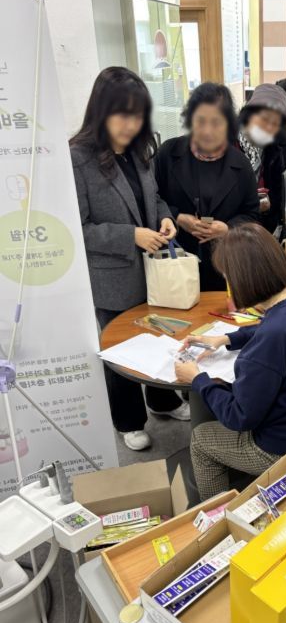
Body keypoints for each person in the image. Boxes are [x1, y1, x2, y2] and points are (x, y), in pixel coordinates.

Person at [174, 223, 286, 500]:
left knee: (201, 441)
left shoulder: (269, 341)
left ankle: (217, 516)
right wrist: (227, 338)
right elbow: (282, 326)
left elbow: (239, 417)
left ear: (242, 280)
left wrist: (198, 379)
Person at [70, 66, 189, 452]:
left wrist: (165, 218)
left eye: (137, 115)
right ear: (101, 111)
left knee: (159, 338)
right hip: (112, 276)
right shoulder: (78, 158)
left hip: (151, 272)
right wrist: (131, 236)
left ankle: (163, 401)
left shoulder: (140, 152)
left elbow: (153, 198)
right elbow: (79, 228)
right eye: (122, 115)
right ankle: (127, 421)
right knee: (120, 351)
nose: (130, 124)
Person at [155, 82, 259, 290]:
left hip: (226, 267)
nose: (207, 130)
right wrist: (177, 218)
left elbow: (252, 214)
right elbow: (153, 199)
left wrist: (227, 229)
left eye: (216, 122)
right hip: (176, 265)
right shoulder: (168, 153)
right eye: (200, 121)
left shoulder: (240, 164)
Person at [237, 84, 286, 233]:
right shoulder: (228, 141)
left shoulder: (281, 142)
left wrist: (269, 207)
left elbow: (282, 189)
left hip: (265, 223)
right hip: (231, 224)